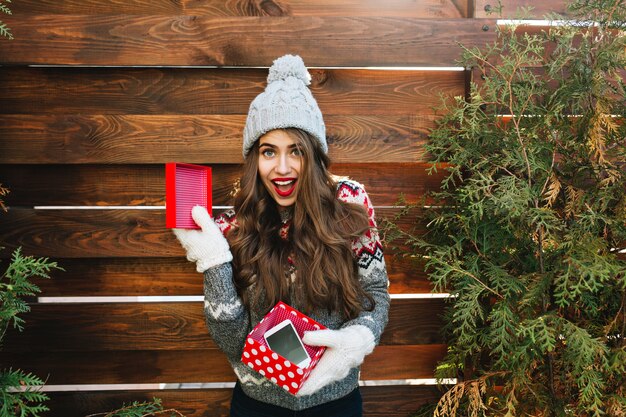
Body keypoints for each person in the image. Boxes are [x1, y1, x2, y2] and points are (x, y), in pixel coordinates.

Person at [173, 54, 390, 417]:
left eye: (296, 151)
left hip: (336, 403)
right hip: (256, 406)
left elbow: (376, 294)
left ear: (315, 154)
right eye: (269, 151)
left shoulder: (349, 202)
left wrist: (359, 339)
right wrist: (213, 262)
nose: (283, 168)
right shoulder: (234, 224)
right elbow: (230, 340)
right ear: (254, 159)